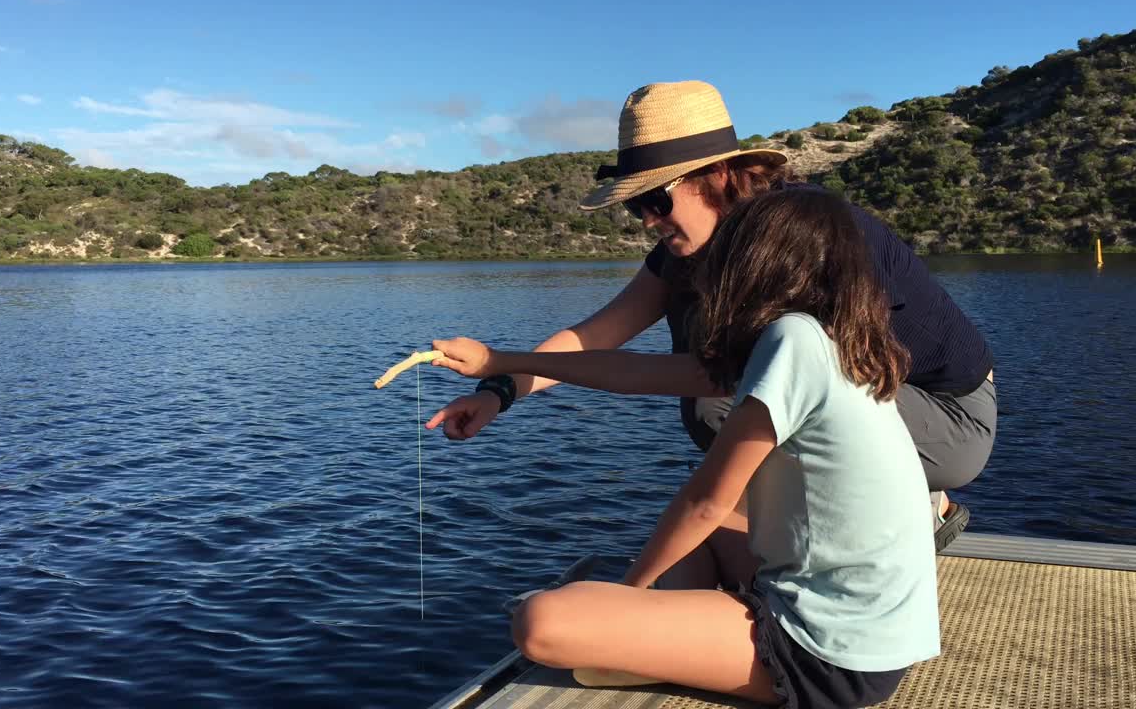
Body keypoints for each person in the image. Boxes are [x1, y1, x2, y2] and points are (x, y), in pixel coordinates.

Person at [425, 79, 996, 554]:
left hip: (948, 419)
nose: (647, 220)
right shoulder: (686, 252)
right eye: (635, 205)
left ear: (719, 177)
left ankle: (906, 512)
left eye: (656, 200)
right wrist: (498, 389)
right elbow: (594, 335)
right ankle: (841, 522)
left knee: (721, 402)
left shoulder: (799, 240)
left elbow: (710, 378)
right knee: (720, 397)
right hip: (877, 403)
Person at [429, 188, 941, 707]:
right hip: (869, 632)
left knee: (539, 623)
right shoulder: (827, 337)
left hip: (830, 654)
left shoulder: (794, 342)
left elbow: (706, 502)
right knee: (702, 538)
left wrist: (622, 595)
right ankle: (667, 635)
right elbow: (632, 373)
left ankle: (641, 636)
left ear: (760, 261)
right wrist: (497, 363)